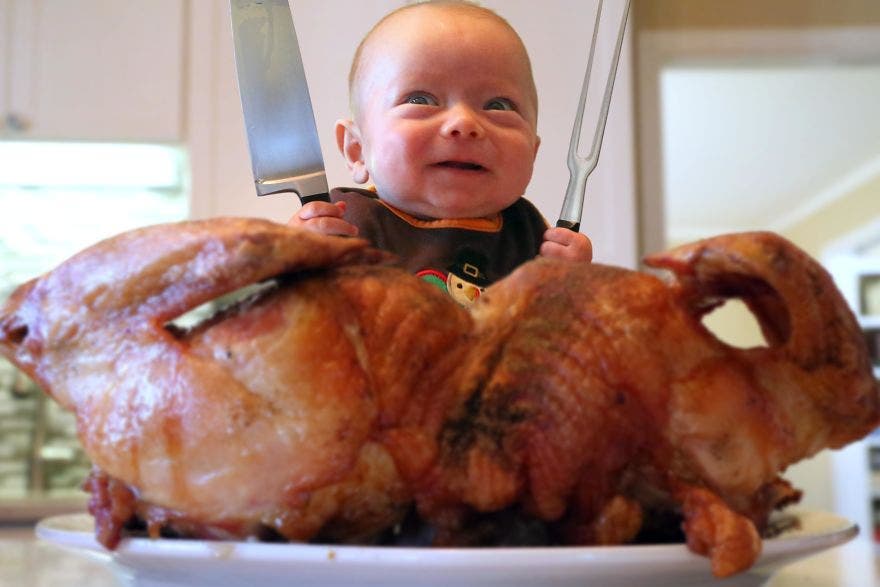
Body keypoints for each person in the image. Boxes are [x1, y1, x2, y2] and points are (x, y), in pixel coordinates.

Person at [288, 0, 592, 305]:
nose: (464, 123)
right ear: (357, 149)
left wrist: (573, 284)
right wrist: (291, 269)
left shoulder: (529, 235)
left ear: (533, 154)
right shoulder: (342, 224)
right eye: (420, 99)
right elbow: (283, 329)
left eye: (498, 106)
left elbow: (560, 336)